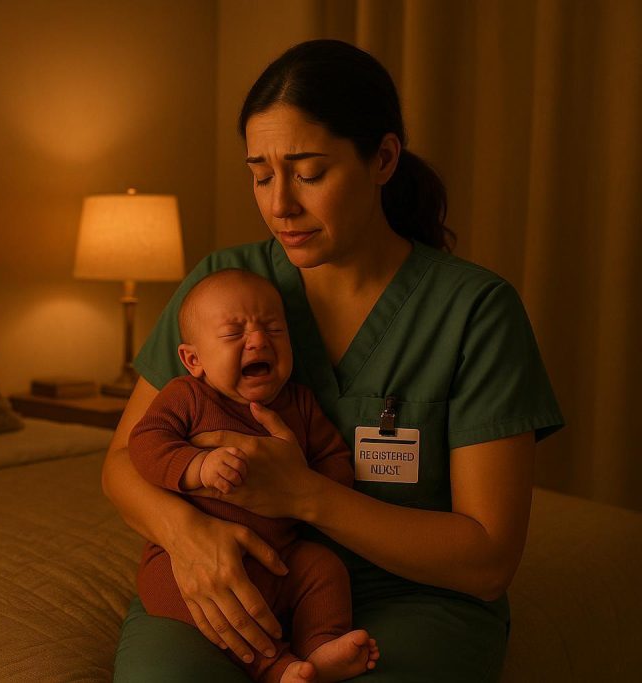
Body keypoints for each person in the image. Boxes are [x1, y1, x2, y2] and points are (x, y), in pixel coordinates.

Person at [103, 39, 564, 682]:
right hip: (226, 573)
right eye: (260, 175)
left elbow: (487, 560)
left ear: (382, 158)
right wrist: (187, 535)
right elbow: (123, 464)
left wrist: (305, 495)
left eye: (309, 173)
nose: (279, 204)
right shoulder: (223, 288)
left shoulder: (474, 312)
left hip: (411, 596)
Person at [129, 268, 378, 683]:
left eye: (274, 330)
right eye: (233, 334)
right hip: (188, 558)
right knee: (165, 586)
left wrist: (305, 480)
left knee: (324, 568)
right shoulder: (186, 396)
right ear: (194, 360)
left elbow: (336, 460)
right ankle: (275, 666)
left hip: (280, 556)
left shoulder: (298, 403)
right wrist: (195, 466)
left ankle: (320, 643)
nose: (259, 340)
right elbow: (145, 443)